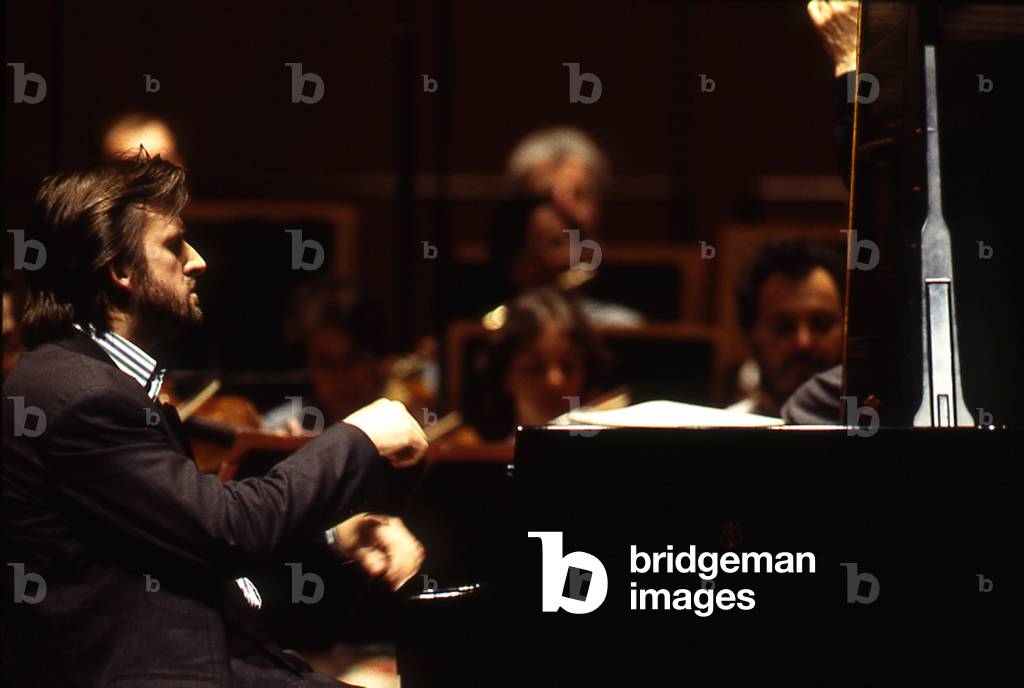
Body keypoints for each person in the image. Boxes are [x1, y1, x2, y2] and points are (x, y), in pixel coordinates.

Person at [2, 150, 429, 688]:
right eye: (175, 245)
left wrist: (334, 536)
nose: (198, 261)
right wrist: (360, 435)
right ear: (120, 270)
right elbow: (227, 528)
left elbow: (185, 539)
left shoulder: (86, 382)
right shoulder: (79, 395)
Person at [495, 127, 644, 327]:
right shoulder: (490, 321)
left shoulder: (625, 322)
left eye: (579, 194)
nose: (566, 209)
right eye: (547, 195)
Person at [465, 288, 610, 441]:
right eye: (535, 368)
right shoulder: (474, 458)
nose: (555, 382)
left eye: (568, 368)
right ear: (505, 375)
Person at [729, 238, 844, 418]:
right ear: (750, 334)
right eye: (782, 328)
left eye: (821, 324)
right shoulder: (723, 436)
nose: (803, 342)